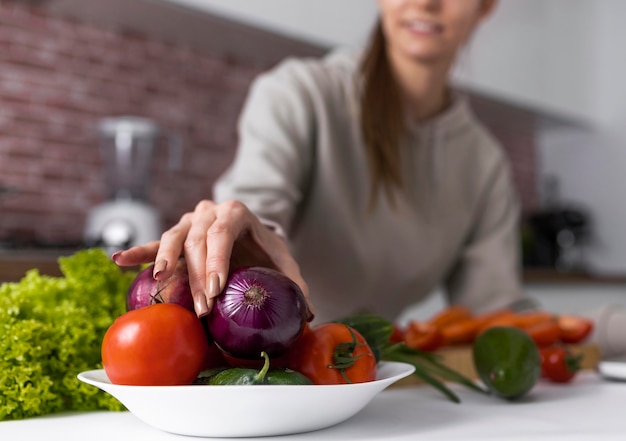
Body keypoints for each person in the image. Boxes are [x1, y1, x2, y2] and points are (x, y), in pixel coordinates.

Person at [112, 0, 625, 356]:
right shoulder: (300, 95)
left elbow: (496, 317)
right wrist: (241, 232)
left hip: (368, 379)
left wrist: (611, 327)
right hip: (268, 371)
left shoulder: (483, 163)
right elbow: (257, 208)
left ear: (486, 7)